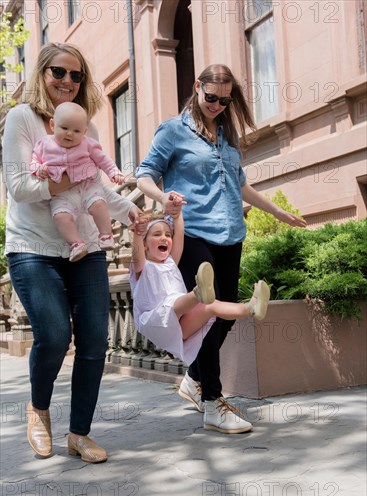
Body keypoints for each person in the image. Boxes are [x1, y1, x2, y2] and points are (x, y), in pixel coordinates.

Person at [136, 64, 306, 434]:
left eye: (224, 100)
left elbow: (240, 184)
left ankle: (193, 379)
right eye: (210, 97)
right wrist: (164, 197)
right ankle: (213, 402)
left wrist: (279, 211)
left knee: (225, 315)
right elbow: (144, 174)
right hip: (192, 232)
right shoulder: (173, 131)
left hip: (231, 233)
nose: (216, 104)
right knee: (209, 308)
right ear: (197, 87)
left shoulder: (227, 133)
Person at [2, 42, 143, 462]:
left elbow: (95, 188)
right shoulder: (21, 120)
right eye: (58, 72)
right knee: (54, 335)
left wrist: (128, 210)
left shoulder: (89, 129)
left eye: (76, 75)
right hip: (34, 246)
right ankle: (39, 409)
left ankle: (79, 433)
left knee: (96, 341)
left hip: (86, 246)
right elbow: (20, 188)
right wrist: (63, 181)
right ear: (42, 73)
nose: (67, 81)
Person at [130, 199, 270, 430]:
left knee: (211, 306)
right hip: (156, 321)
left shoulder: (171, 262)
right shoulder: (142, 268)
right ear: (145, 245)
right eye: (156, 235)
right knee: (178, 302)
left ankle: (250, 308)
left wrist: (177, 216)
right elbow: (136, 256)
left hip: (178, 324)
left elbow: (180, 236)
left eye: (167, 234)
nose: (164, 238)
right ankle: (197, 292)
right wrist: (137, 234)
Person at [30, 101, 125, 262]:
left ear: (84, 132)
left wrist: (114, 172)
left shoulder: (88, 144)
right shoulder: (44, 143)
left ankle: (106, 235)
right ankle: (76, 244)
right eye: (64, 128)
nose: (70, 134)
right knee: (60, 217)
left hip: (87, 186)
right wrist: (38, 169)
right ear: (53, 125)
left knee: (99, 205)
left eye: (76, 131)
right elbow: (33, 160)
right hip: (61, 192)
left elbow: (103, 160)